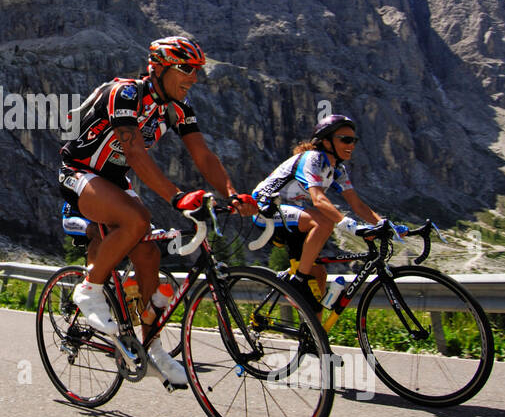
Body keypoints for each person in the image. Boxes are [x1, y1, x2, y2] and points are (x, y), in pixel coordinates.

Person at [58, 36, 254, 386]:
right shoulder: (126, 94)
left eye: (197, 71)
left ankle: (152, 349)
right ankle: (88, 288)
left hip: (115, 180)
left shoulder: (179, 108)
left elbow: (203, 155)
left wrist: (233, 193)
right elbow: (134, 152)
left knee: (148, 255)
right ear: (159, 68)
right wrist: (177, 197)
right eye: (186, 70)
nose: (193, 78)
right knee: (138, 220)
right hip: (79, 172)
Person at [251, 114, 400, 312]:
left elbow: (358, 205)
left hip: (294, 215)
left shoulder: (337, 169)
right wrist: (348, 225)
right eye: (346, 139)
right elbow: (318, 199)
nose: (352, 144)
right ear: (327, 141)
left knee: (319, 275)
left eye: (354, 140)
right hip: (266, 208)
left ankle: (312, 336)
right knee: (324, 222)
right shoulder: (313, 158)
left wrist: (386, 226)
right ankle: (298, 281)